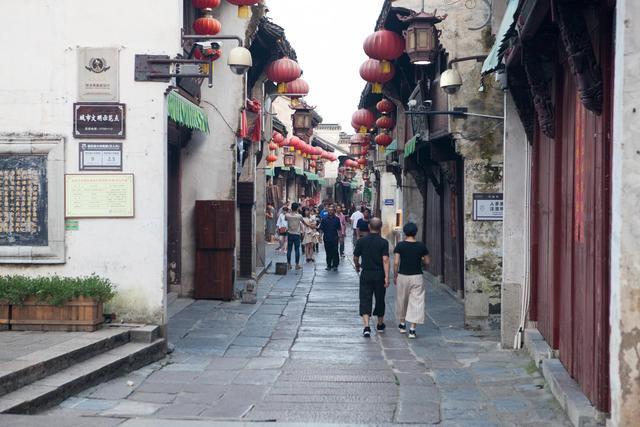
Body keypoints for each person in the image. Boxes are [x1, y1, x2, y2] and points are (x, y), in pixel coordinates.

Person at [353, 217, 390, 337]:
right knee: (380, 298)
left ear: (369, 227)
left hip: (366, 273)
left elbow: (356, 257)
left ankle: (366, 326)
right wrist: (386, 277)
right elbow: (385, 260)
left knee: (365, 298)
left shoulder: (362, 241)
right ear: (380, 228)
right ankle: (380, 324)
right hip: (379, 274)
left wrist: (357, 266)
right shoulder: (384, 242)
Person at [393, 222, 430, 339]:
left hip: (403, 275)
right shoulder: (421, 246)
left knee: (402, 299)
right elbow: (427, 262)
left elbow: (395, 262)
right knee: (417, 301)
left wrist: (395, 275)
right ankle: (412, 329)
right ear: (415, 232)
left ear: (405, 232)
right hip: (417, 276)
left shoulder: (400, 245)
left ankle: (402, 323)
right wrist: (422, 258)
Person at [319, 205, 342, 271]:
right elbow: (321, 229)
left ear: (334, 211)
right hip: (326, 238)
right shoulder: (324, 219)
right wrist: (320, 236)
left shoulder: (337, 219)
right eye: (329, 210)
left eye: (331, 210)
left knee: (335, 251)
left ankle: (335, 265)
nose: (330, 211)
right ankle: (328, 265)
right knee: (328, 252)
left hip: (335, 238)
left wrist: (340, 237)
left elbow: (339, 229)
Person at [285, 203, 303, 270]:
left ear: (291, 208)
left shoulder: (287, 215)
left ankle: (289, 264)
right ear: (297, 208)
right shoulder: (299, 216)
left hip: (290, 234)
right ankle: (297, 265)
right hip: (297, 234)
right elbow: (303, 222)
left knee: (289, 249)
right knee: (297, 250)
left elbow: (285, 219)